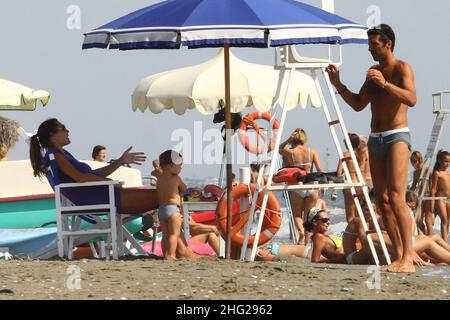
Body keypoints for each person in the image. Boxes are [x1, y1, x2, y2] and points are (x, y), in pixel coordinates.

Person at [326, 24, 418, 273]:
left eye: (374, 45)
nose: (369, 49)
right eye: (369, 45)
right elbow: (358, 104)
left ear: (388, 44)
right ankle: (399, 257)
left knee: (398, 196)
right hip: (375, 138)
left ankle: (409, 258)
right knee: (384, 201)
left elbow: (412, 98)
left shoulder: (402, 68)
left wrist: (386, 84)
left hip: (397, 135)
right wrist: (337, 84)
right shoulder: (373, 72)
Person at [30, 118, 159, 216]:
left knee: (165, 196)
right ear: (53, 135)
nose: (67, 131)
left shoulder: (61, 154)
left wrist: (120, 161)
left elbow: (92, 175)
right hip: (99, 198)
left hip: (101, 196)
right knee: (165, 196)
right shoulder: (55, 154)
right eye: (63, 129)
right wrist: (110, 182)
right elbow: (80, 177)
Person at [279, 128, 323, 244]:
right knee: (309, 217)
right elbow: (320, 169)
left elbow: (279, 149)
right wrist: (323, 186)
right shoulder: (312, 151)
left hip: (297, 186)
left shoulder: (291, 152)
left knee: (297, 214)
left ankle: (301, 231)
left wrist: (289, 138)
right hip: (311, 185)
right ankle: (307, 244)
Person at [156, 150, 199, 260]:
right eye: (179, 166)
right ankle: (171, 255)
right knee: (174, 234)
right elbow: (184, 188)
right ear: (171, 166)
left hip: (161, 210)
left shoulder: (159, 179)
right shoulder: (175, 178)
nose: (181, 168)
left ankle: (165, 253)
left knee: (165, 235)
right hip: (172, 209)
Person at [336, 133, 369, 223]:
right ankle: (360, 234)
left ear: (347, 144)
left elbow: (339, 172)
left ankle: (353, 234)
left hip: (351, 184)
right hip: (362, 185)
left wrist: (334, 190)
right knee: (361, 214)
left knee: (350, 216)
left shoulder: (345, 155)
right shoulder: (363, 153)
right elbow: (365, 170)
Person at [430, 150, 450, 242]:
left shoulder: (448, 173)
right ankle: (444, 242)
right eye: (446, 161)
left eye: (449, 162)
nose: (448, 164)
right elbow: (433, 189)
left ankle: (445, 239)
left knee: (448, 220)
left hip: (448, 199)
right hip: (440, 198)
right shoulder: (436, 173)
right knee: (444, 219)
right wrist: (432, 205)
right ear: (440, 161)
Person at [409, 150, 430, 235]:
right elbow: (413, 186)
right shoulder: (415, 173)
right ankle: (425, 236)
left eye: (414, 162)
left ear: (419, 160)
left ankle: (431, 239)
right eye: (412, 162)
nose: (413, 164)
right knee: (418, 220)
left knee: (429, 221)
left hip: (428, 197)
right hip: (420, 197)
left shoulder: (427, 170)